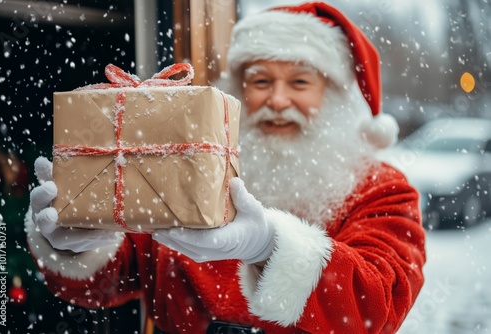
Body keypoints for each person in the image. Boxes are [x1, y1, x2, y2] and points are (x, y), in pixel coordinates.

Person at [25, 2, 426, 333]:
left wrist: (270, 247)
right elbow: (117, 276)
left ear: (336, 96)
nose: (279, 100)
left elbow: (379, 304)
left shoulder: (382, 189)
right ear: (238, 90)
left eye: (300, 82)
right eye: (261, 81)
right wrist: (78, 241)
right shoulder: (183, 169)